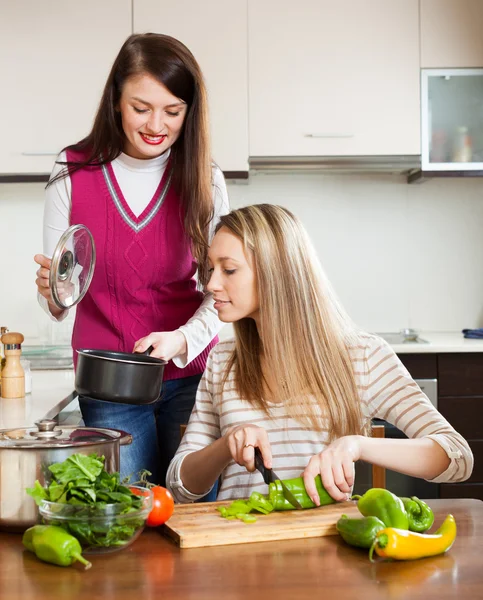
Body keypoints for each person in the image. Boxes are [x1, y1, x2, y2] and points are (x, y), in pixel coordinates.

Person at [166, 204, 473, 504]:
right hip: (237, 545)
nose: (211, 283)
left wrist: (357, 446)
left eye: (228, 269)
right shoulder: (222, 360)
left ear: (276, 272)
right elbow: (179, 486)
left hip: (324, 548)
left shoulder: (362, 356)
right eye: (210, 268)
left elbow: (457, 457)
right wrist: (226, 445)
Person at [34, 33, 229, 490]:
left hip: (191, 375)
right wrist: (54, 294)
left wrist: (180, 341)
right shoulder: (71, 171)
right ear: (116, 101)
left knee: (197, 508)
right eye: (141, 108)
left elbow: (220, 294)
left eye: (173, 111)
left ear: (189, 112)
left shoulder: (206, 178)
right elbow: (60, 299)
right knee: (130, 509)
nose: (156, 124)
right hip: (109, 384)